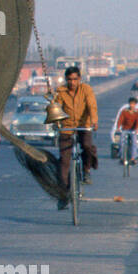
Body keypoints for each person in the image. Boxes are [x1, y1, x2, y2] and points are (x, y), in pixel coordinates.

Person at [55, 65, 98, 208]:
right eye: (69, 79)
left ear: (79, 78)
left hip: (83, 125)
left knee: (87, 146)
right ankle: (63, 195)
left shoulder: (86, 89)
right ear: (66, 80)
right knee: (64, 162)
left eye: (75, 79)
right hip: (67, 127)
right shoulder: (61, 91)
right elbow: (57, 108)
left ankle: (86, 170)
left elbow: (92, 106)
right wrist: (56, 121)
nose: (72, 82)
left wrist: (94, 121)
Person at [115, 96, 138, 162]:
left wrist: (137, 129)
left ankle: (133, 158)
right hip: (125, 129)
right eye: (131, 104)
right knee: (121, 142)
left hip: (133, 130)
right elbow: (120, 119)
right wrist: (118, 127)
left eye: (133, 104)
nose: (132, 105)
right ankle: (121, 157)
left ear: (135, 105)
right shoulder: (124, 111)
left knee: (134, 143)